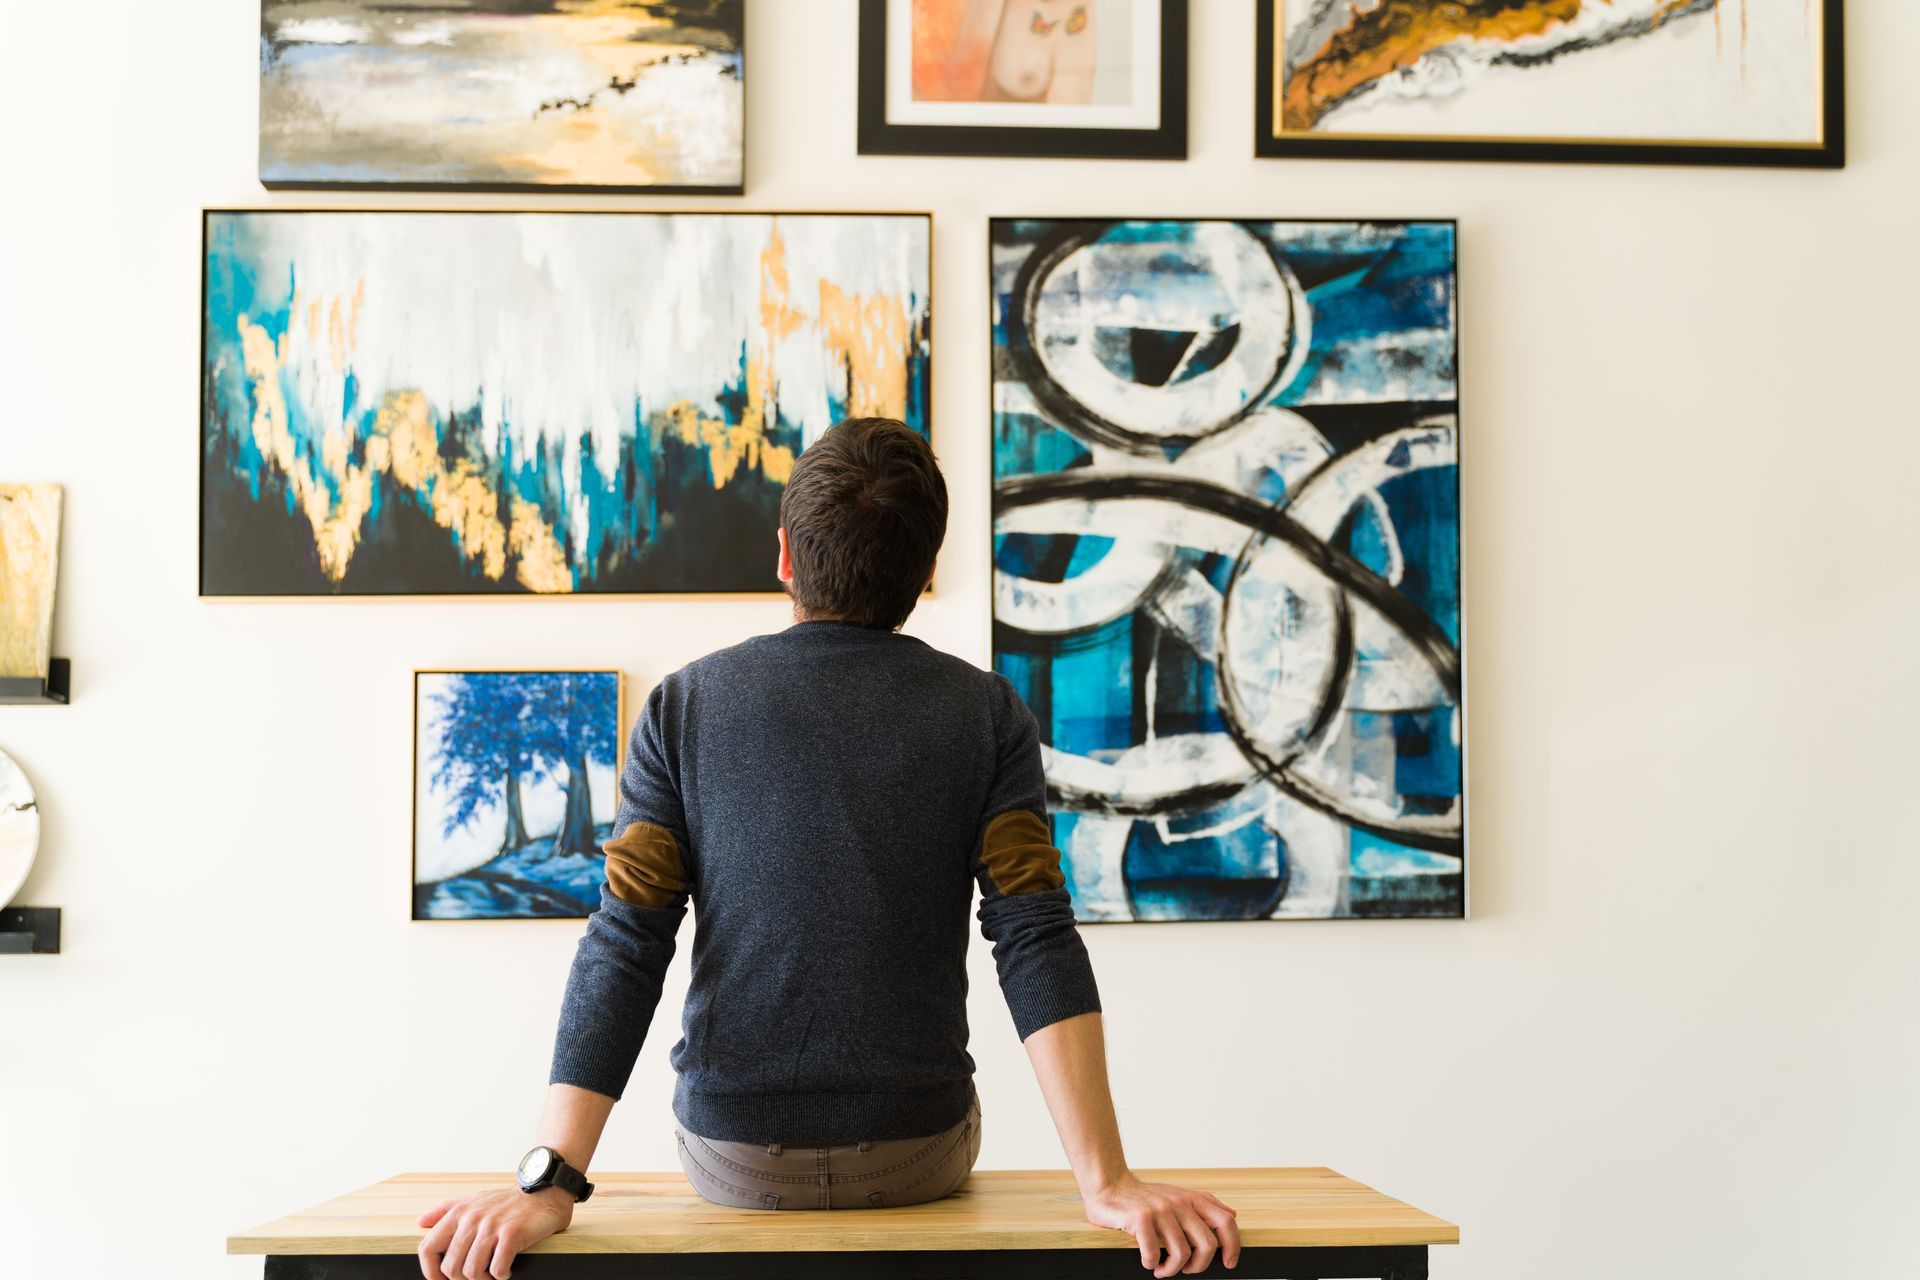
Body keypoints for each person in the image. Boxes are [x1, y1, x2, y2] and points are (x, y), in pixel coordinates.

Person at [416, 418, 1240, 1280]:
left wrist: (549, 1183)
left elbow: (626, 942)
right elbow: (1034, 934)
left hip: (732, 1156)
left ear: (784, 556)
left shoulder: (681, 709)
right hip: (917, 1154)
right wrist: (1106, 1181)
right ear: (927, 574)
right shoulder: (989, 714)